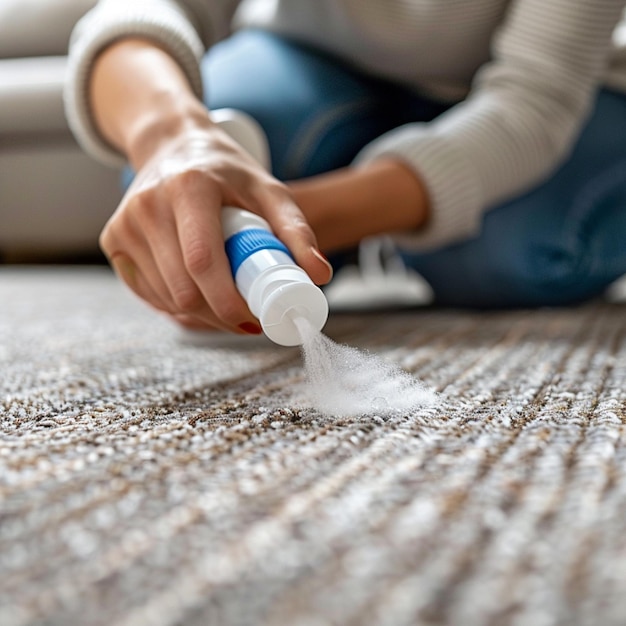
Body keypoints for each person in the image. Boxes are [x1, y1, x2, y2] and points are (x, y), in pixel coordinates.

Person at [64, 0, 626, 335]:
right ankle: (374, 236)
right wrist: (174, 140)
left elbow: (533, 106)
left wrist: (292, 224)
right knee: (181, 201)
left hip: (565, 93)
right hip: (321, 60)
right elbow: (136, 11)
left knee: (512, 254)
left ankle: (378, 235)